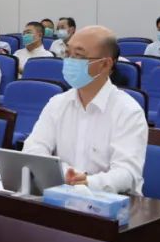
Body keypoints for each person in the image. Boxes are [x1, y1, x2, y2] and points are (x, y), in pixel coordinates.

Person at [23, 25, 148, 195]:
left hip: (108, 202)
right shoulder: (57, 103)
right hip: (60, 195)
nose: (69, 61)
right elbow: (34, 148)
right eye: (68, 54)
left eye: (78, 56)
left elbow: (127, 174)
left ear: (105, 64)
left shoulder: (128, 111)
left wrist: (87, 182)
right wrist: (64, 173)